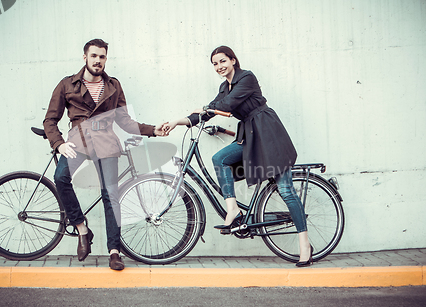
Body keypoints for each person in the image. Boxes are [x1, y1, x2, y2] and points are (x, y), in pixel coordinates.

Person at [163, 46, 313, 267]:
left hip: (268, 133)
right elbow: (212, 108)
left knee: (286, 191)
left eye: (222, 61)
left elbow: (226, 105)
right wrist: (177, 121)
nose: (219, 67)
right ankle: (233, 208)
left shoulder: (247, 77)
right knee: (220, 159)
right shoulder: (225, 86)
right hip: (250, 136)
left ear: (233, 60)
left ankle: (305, 246)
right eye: (214, 64)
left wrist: (208, 109)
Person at [43, 39, 166, 270]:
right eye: (94, 56)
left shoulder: (113, 85)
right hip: (77, 141)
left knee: (111, 195)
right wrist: (59, 144)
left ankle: (114, 251)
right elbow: (50, 120)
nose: (98, 61)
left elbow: (125, 120)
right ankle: (82, 228)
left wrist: (152, 130)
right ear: (85, 57)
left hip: (106, 142)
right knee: (60, 178)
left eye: (102, 57)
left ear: (106, 59)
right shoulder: (66, 84)